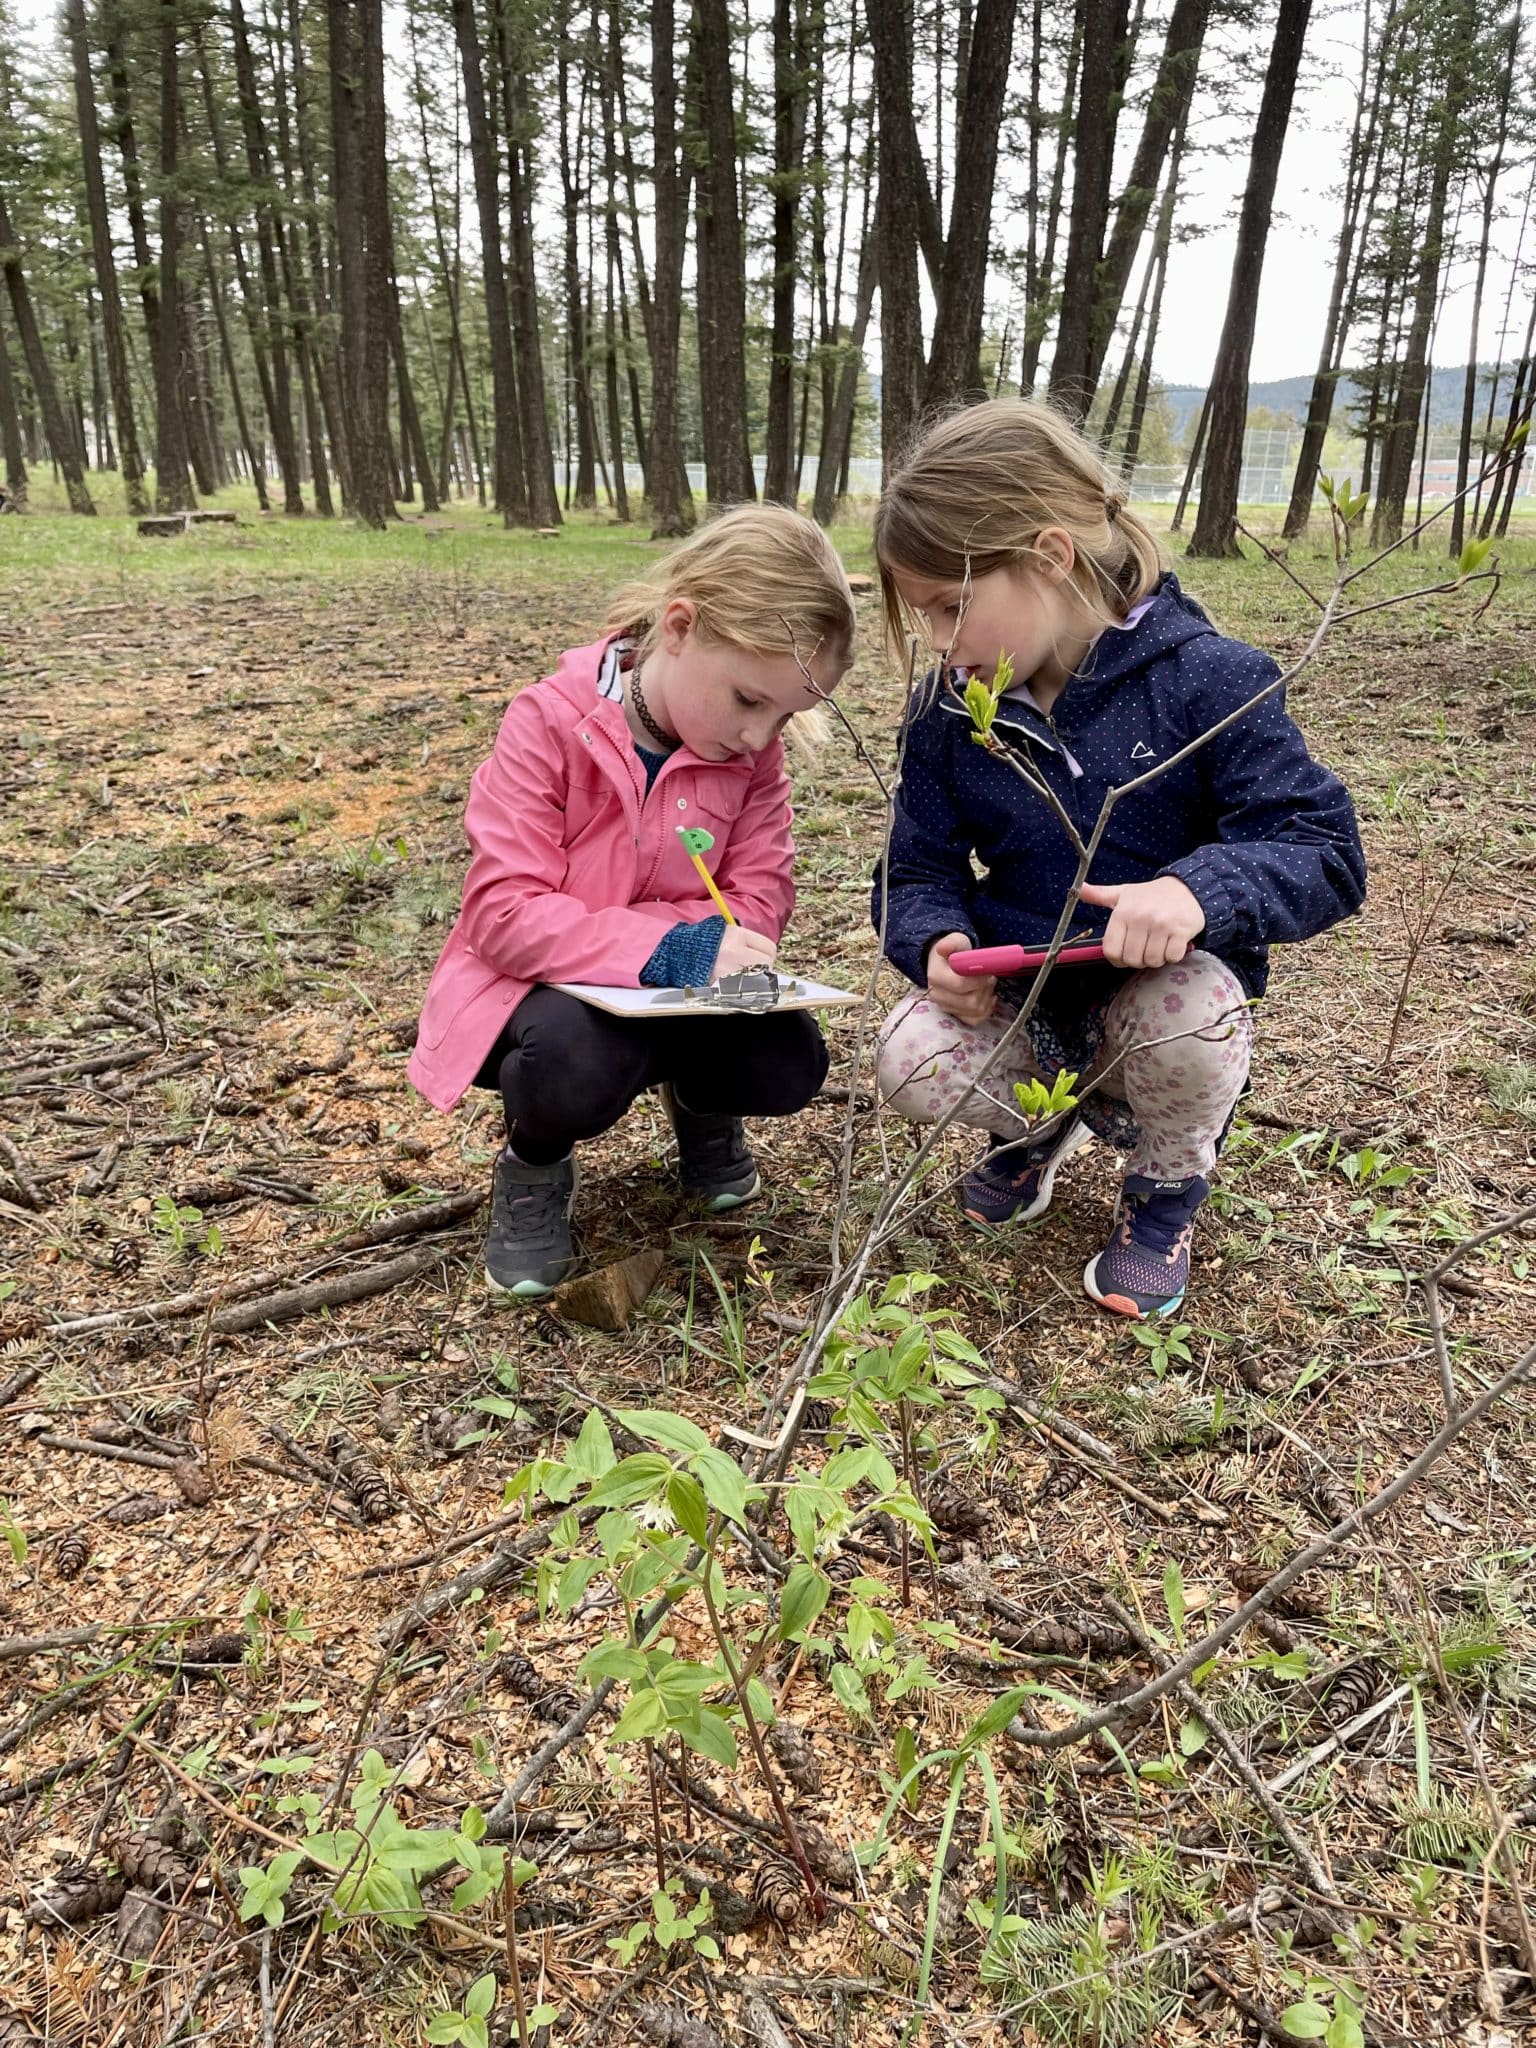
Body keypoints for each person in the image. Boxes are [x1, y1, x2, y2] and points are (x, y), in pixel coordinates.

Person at [870, 399, 1366, 1318]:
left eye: (951, 607)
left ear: (1051, 557)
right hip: (1028, 998)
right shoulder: (952, 711)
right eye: (923, 616)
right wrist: (935, 942)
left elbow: (1326, 852)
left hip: (1160, 1001)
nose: (939, 643)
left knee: (1191, 1011)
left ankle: (1164, 1188)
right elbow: (917, 867)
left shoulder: (1210, 682)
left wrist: (1196, 888)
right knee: (907, 1053)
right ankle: (1044, 1121)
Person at [410, 504, 855, 1298]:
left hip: (681, 990)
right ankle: (534, 1162)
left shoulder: (751, 759)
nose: (761, 735)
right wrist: (668, 947)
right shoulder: (548, 723)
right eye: (750, 700)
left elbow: (762, 890)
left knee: (791, 1061)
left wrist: (719, 948)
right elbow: (505, 912)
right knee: (573, 1065)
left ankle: (700, 1102)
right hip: (543, 996)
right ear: (679, 627)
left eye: (786, 714)